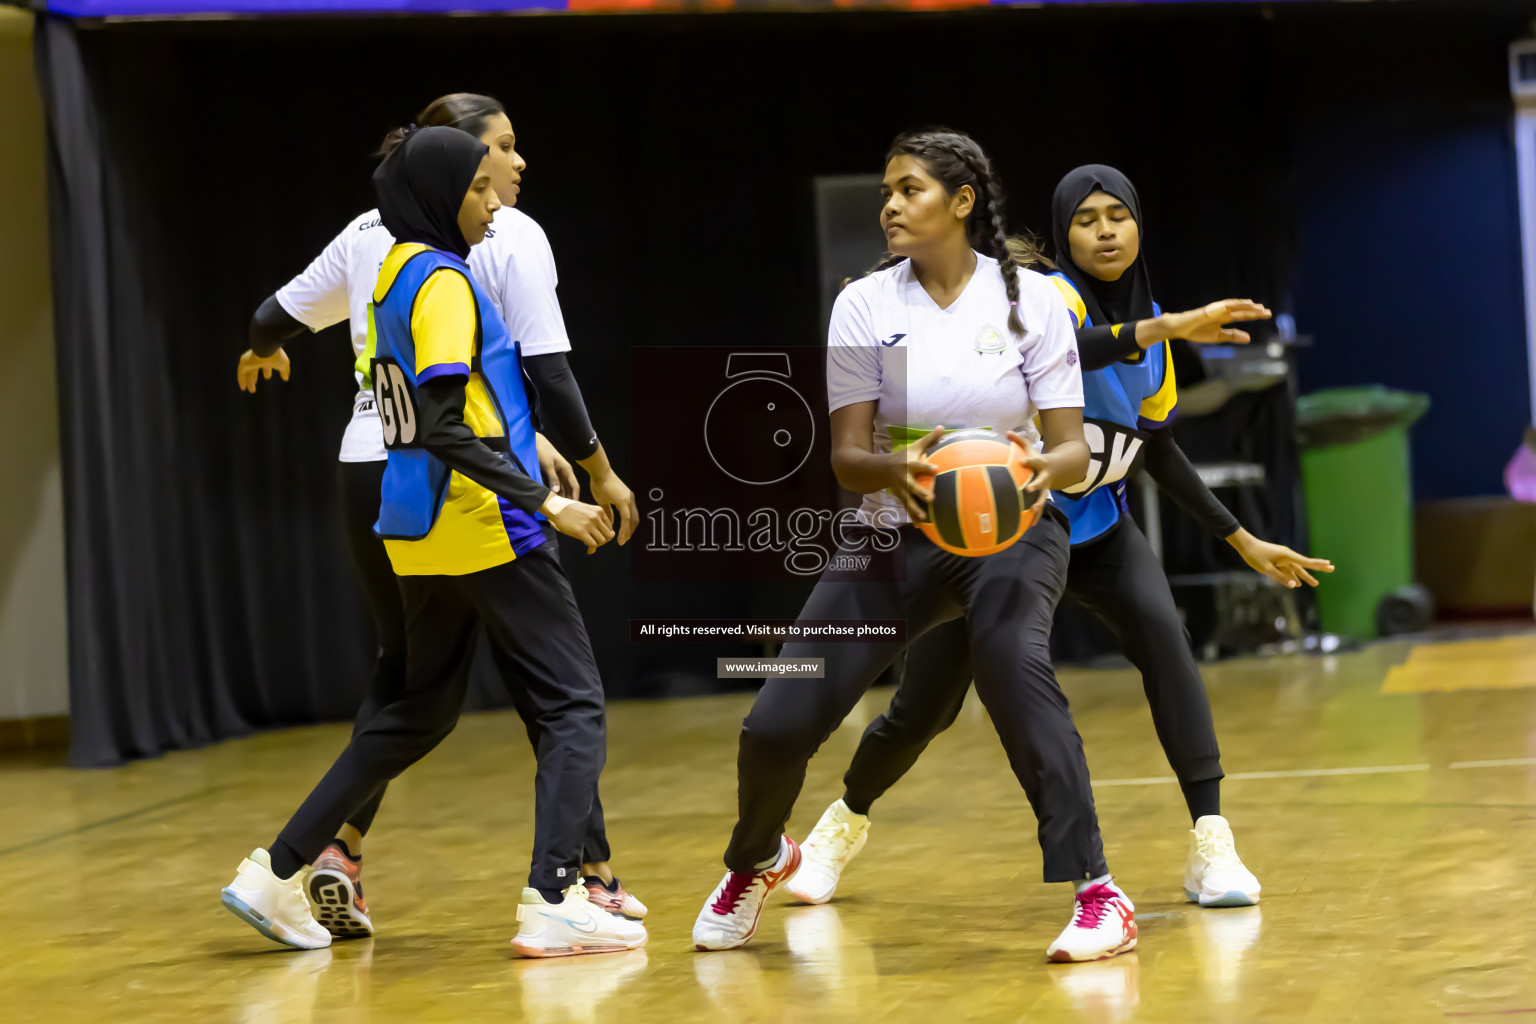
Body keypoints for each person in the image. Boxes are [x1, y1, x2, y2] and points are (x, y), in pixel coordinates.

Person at [784, 164, 1333, 913]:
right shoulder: (1040, 300)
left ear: (1140, 225)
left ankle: (1212, 839)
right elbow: (1080, 344)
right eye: (1086, 219)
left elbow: (1156, 447)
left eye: (1119, 215)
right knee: (925, 709)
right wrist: (1163, 327)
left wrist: (1241, 539)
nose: (1105, 231)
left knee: (1167, 644)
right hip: (1000, 542)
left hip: (1099, 528)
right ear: (1065, 234)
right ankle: (841, 823)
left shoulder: (1157, 329)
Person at [691, 129, 1139, 964]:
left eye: (910, 190)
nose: (892, 206)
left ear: (962, 202)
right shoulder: (863, 303)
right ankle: (756, 860)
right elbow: (848, 459)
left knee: (1015, 673)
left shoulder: (1034, 301)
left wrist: (1044, 464)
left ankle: (1098, 893)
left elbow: (1073, 447)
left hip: (1011, 533)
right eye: (887, 194)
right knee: (775, 722)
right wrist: (899, 468)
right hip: (894, 532)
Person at [222, 125, 644, 958]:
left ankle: (273, 873)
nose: (494, 205)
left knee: (418, 709)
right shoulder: (444, 283)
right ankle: (555, 892)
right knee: (572, 704)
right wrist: (548, 504)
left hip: (415, 528)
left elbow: (435, 412)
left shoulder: (385, 275)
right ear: (442, 194)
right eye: (480, 190)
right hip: (484, 520)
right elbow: (449, 423)